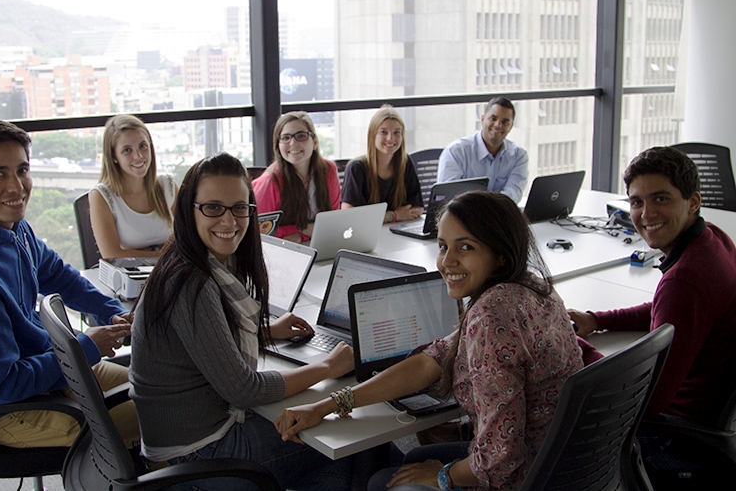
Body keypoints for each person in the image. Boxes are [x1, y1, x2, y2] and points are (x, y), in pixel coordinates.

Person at [276, 191, 584, 491]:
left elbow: (499, 459)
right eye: (442, 246)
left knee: (381, 481)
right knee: (411, 459)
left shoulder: (492, 315)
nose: (447, 262)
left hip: (522, 476)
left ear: (500, 254)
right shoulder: (533, 287)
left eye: (465, 248)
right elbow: (430, 361)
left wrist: (444, 476)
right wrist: (328, 404)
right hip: (563, 465)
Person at [128, 152, 354, 491]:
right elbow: (245, 389)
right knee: (349, 441)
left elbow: (205, 342)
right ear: (189, 211)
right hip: (200, 451)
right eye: (213, 207)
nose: (229, 221)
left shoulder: (193, 261)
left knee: (337, 469)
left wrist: (267, 330)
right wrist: (329, 367)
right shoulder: (192, 283)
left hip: (181, 437)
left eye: (239, 207)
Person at [0, 119, 138, 448]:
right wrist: (85, 347)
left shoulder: (8, 227)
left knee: (162, 391)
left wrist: (109, 311)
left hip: (50, 369)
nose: (17, 187)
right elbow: (2, 386)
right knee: (164, 418)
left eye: (22, 170)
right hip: (13, 409)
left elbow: (58, 274)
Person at [569, 146, 736, 425]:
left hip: (674, 433)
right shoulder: (713, 239)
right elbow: (669, 311)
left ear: (692, 202)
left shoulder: (686, 280)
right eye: (636, 202)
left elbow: (645, 400)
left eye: (661, 199)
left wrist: (575, 347)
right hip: (710, 415)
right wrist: (596, 319)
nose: (646, 214)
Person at [90, 114, 177, 258]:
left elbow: (188, 237)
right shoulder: (102, 196)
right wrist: (161, 254)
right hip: (131, 277)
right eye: (127, 150)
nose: (138, 156)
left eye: (142, 146)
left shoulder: (167, 186)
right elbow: (111, 255)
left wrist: (144, 253)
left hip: (173, 272)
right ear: (113, 156)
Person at [252, 111, 340, 242]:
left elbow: (332, 222)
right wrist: (303, 229)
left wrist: (301, 235)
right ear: (278, 146)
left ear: (315, 142)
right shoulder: (269, 182)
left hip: (317, 244)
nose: (293, 143)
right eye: (285, 138)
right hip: (278, 251)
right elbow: (260, 231)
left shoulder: (328, 170)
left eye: (301, 136)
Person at [341, 104, 424, 223]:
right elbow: (349, 216)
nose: (391, 138)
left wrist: (374, 218)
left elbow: (417, 208)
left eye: (397, 132)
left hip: (396, 232)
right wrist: (393, 216)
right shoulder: (357, 168)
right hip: (366, 235)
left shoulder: (404, 162)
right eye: (384, 132)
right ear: (373, 135)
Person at [437, 97, 528, 203]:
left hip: (499, 215)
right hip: (463, 216)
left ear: (511, 126)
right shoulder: (456, 152)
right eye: (493, 118)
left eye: (505, 122)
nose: (498, 125)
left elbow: (513, 195)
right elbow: (448, 198)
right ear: (483, 119)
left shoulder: (518, 156)